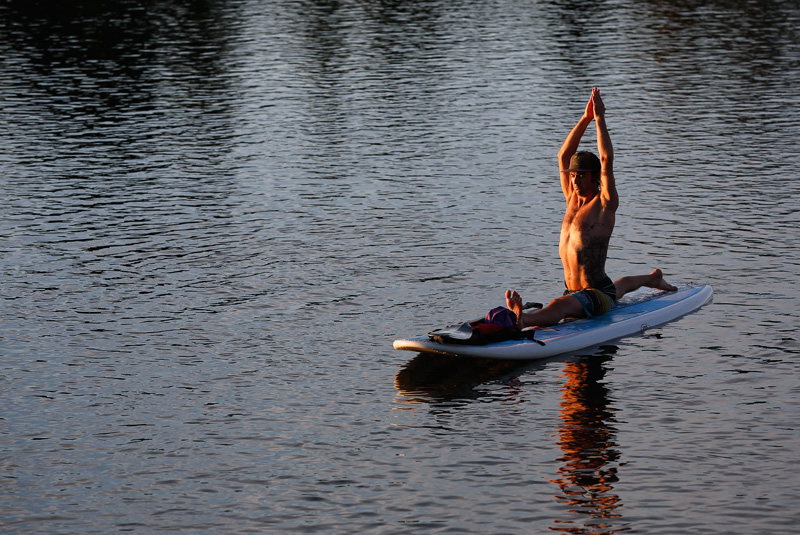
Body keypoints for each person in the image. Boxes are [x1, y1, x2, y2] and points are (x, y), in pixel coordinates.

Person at [506, 87, 676, 329]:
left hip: (595, 295)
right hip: (577, 291)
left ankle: (524, 320)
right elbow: (563, 155)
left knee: (560, 305)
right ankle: (653, 278)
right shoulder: (571, 199)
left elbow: (606, 159)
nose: (574, 181)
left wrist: (599, 119)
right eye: (572, 175)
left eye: (581, 175)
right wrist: (585, 117)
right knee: (617, 287)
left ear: (595, 177)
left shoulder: (605, 204)